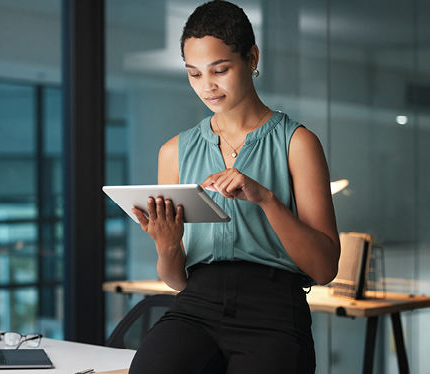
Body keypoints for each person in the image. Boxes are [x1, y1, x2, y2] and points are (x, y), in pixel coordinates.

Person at [128, 1, 340, 373]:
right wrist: (166, 244)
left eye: (220, 70)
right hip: (196, 305)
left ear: (252, 58)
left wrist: (266, 199)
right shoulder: (174, 152)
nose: (206, 86)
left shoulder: (298, 144)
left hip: (274, 310)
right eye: (194, 74)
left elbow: (324, 269)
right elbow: (177, 280)